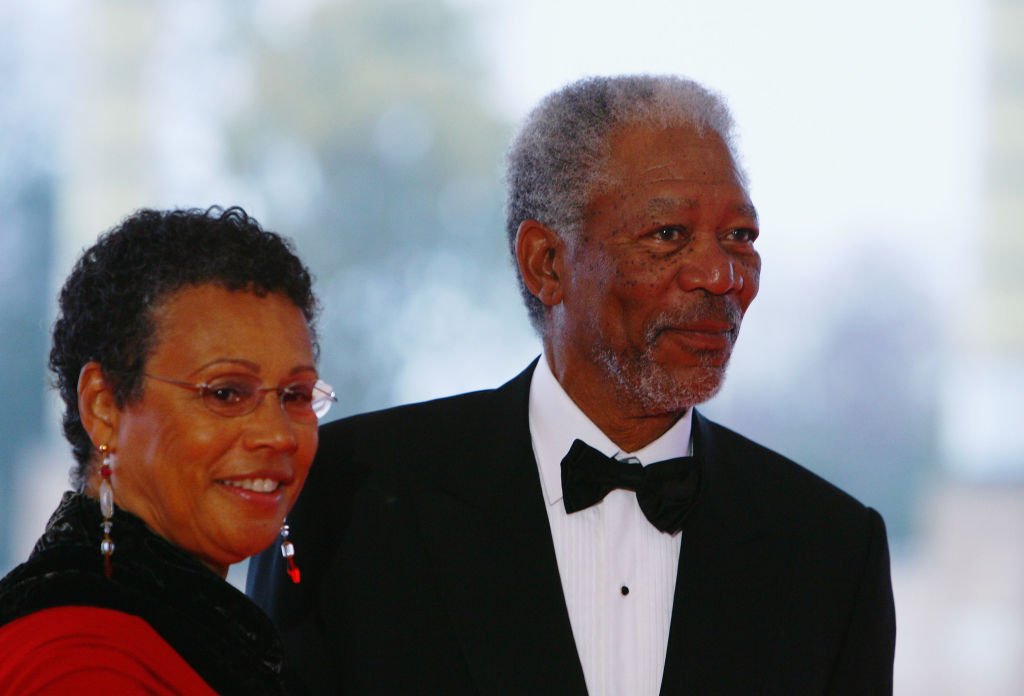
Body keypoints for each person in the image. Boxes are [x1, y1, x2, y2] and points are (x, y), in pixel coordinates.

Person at [249, 75, 897, 695]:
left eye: (739, 236)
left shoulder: (832, 550)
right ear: (546, 263)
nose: (721, 274)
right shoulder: (346, 496)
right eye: (669, 235)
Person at [0, 207, 337, 694]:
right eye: (226, 393)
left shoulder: (203, 635)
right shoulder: (78, 667)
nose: (278, 434)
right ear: (105, 406)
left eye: (296, 396)